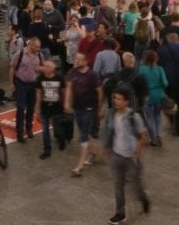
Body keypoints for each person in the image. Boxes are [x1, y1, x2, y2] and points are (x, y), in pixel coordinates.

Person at [102, 85, 150, 224]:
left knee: (135, 186)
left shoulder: (134, 117)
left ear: (127, 102)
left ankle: (143, 198)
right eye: (115, 98)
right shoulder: (111, 114)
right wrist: (106, 148)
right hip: (116, 155)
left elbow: (143, 136)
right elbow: (109, 132)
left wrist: (138, 151)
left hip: (131, 158)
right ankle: (120, 213)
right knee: (118, 185)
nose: (116, 101)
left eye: (119, 99)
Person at [65, 51, 102, 177]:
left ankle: (79, 166)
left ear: (86, 61)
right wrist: (67, 103)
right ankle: (93, 152)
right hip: (77, 108)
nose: (77, 61)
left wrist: (99, 107)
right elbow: (69, 88)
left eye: (80, 59)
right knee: (83, 132)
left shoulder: (92, 75)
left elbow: (99, 91)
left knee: (83, 136)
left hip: (89, 108)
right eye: (77, 59)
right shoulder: (72, 73)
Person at [10, 36, 47, 143]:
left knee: (31, 107)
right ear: (30, 45)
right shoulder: (20, 54)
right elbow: (12, 68)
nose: (38, 49)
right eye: (36, 47)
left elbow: (42, 69)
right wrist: (11, 82)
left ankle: (29, 128)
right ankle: (19, 132)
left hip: (33, 84)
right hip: (20, 83)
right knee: (21, 107)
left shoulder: (40, 55)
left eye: (39, 47)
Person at [33, 58, 65, 159]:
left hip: (57, 107)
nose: (44, 68)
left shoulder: (59, 77)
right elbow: (38, 94)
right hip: (44, 107)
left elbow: (63, 91)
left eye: (47, 66)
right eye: (44, 66)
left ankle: (61, 140)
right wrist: (37, 108)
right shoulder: (40, 78)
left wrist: (64, 104)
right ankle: (47, 150)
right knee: (45, 130)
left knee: (58, 128)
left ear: (52, 69)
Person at [137, 49, 168, 147]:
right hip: (159, 95)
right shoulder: (160, 69)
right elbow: (165, 83)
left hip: (147, 96)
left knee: (149, 118)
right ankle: (159, 134)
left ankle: (153, 138)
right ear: (156, 58)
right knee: (157, 116)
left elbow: (139, 83)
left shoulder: (141, 69)